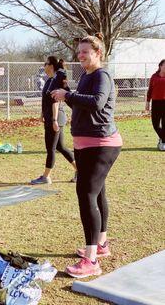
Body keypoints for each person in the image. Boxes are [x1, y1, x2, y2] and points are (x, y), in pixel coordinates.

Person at [52, 33, 122, 278]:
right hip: (86, 143)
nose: (81, 55)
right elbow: (82, 104)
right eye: (79, 52)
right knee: (98, 192)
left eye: (86, 52)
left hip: (101, 144)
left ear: (98, 53)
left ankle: (91, 261)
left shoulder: (102, 76)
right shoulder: (86, 76)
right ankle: (101, 246)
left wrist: (67, 96)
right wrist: (67, 94)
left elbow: (97, 103)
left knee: (86, 194)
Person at [30, 56, 77, 185]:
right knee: (60, 147)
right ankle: (80, 171)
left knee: (50, 148)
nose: (43, 66)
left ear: (51, 66)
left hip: (55, 118)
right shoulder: (50, 80)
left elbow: (55, 101)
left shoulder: (55, 81)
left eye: (45, 64)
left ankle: (46, 177)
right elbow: (46, 100)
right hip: (51, 118)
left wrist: (54, 120)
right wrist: (42, 114)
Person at [145, 59, 165, 151]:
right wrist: (148, 102)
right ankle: (163, 139)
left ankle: (163, 142)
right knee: (155, 124)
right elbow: (150, 91)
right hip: (156, 103)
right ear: (160, 66)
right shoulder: (154, 76)